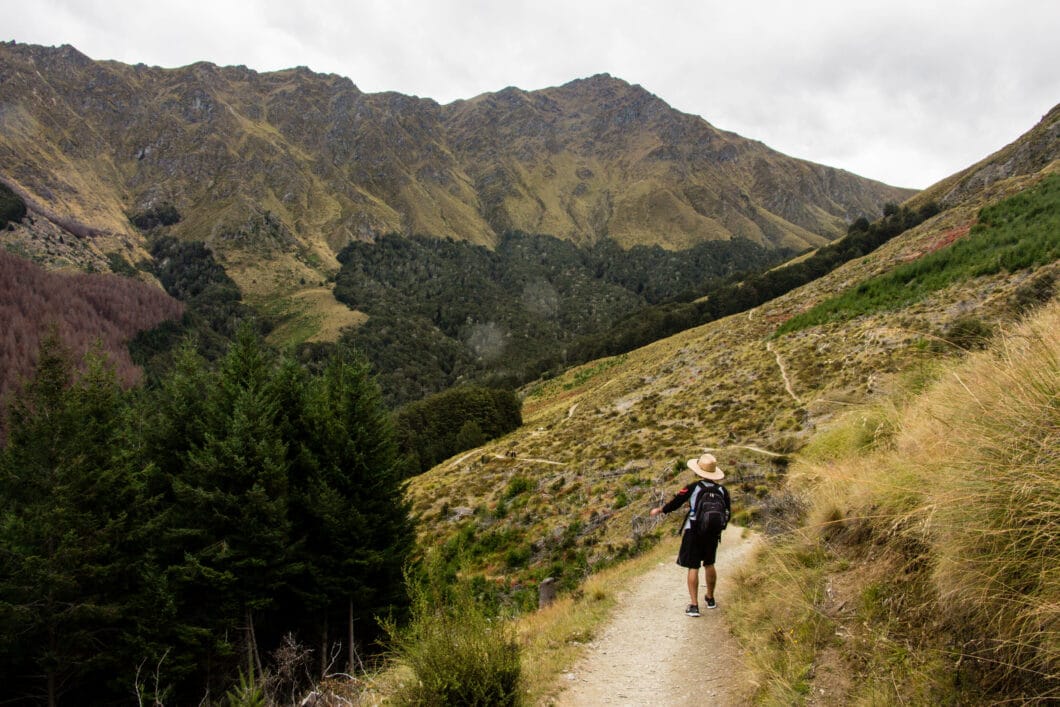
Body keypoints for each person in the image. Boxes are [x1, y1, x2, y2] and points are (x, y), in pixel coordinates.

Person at [649, 453, 731, 617]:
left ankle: (694, 605)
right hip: (712, 533)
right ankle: (710, 598)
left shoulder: (693, 487)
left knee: (693, 566)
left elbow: (676, 502)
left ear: (699, 471)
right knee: (709, 564)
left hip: (694, 530)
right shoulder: (722, 490)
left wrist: (661, 510)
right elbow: (727, 512)